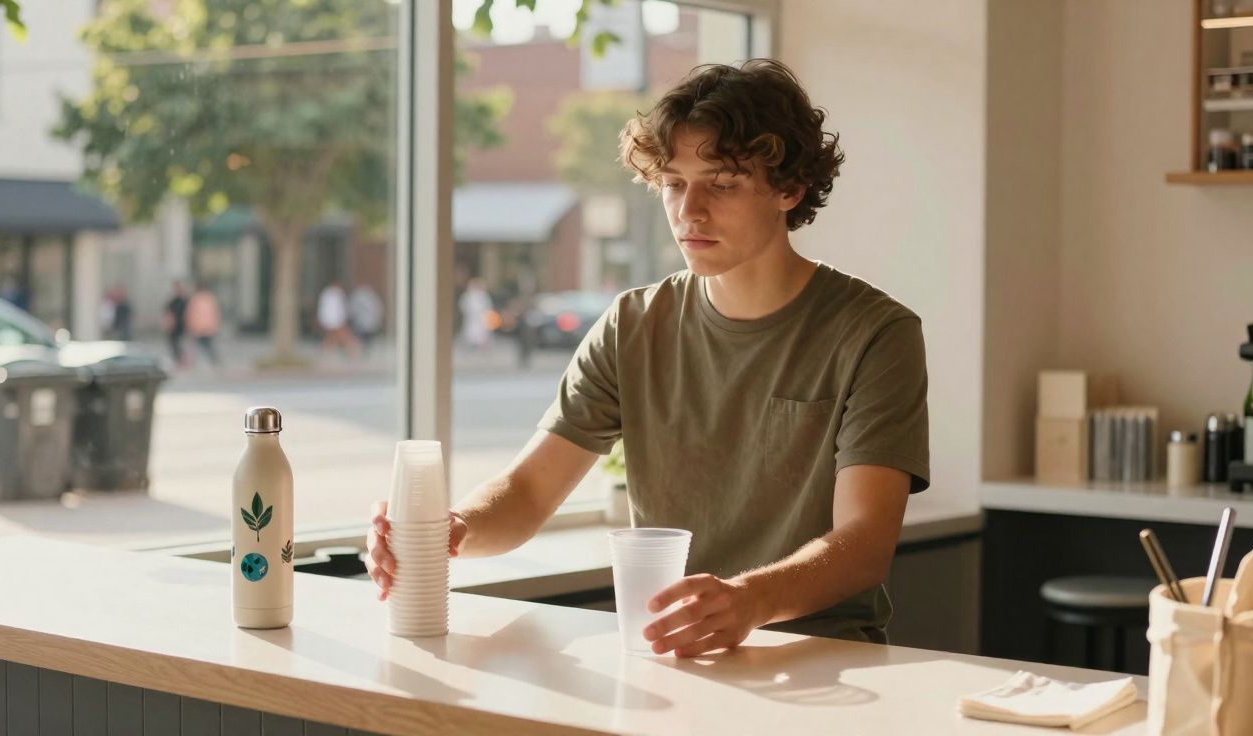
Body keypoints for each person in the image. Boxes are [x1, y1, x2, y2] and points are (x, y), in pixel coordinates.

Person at [366, 59, 930, 656]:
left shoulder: (875, 333)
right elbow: (529, 491)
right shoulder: (633, 324)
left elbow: (865, 541)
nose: (689, 211)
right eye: (674, 183)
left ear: (788, 189)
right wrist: (450, 530)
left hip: (824, 659)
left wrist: (749, 601)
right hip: (671, 652)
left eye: (722, 183)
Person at [317, 280, 359, 359]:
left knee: (333, 338)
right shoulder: (334, 295)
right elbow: (337, 310)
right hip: (335, 321)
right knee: (345, 336)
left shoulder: (329, 294)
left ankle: (325, 352)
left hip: (332, 320)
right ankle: (353, 353)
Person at [185, 282, 222, 367]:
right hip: (208, 326)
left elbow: (190, 314)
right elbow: (216, 313)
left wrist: (189, 325)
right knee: (207, 345)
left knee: (198, 345)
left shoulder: (195, 299)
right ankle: (214, 360)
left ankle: (193, 362)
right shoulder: (210, 298)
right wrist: (215, 325)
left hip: (198, 326)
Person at [349, 282, 384, 355]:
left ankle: (364, 349)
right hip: (363, 321)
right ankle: (362, 349)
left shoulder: (365, 296)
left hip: (366, 321)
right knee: (363, 337)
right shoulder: (365, 296)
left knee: (365, 337)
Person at [458, 277, 493, 349]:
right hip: (471, 317)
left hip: (481, 318)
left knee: (482, 331)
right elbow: (463, 305)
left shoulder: (483, 295)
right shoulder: (468, 295)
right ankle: (471, 343)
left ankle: (481, 343)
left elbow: (487, 305)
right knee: (470, 329)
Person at [162, 281, 189, 366]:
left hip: (181, 325)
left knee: (179, 343)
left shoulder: (184, 301)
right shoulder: (173, 301)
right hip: (173, 326)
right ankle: (178, 360)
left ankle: (182, 360)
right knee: (173, 343)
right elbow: (167, 312)